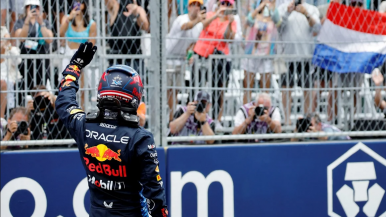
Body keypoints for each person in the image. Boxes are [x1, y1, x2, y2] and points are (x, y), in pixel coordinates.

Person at [55, 42, 168, 216]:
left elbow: (64, 100)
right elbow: (155, 196)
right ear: (135, 97)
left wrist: (74, 66)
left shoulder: (83, 125)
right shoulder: (140, 138)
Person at [193, 0, 237, 129]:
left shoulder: (231, 20)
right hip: (202, 54)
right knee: (197, 88)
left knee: (218, 90)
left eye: (229, 5)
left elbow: (229, 38)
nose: (225, 6)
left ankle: (216, 119)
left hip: (219, 59)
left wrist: (229, 21)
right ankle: (195, 117)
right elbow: (203, 25)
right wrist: (216, 14)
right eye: (223, 3)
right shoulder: (210, 14)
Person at [277, 0, 321, 125]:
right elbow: (278, 27)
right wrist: (287, 12)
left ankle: (307, 120)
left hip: (305, 56)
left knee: (307, 88)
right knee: (286, 88)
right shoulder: (282, 8)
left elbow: (317, 29)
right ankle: (287, 120)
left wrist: (306, 14)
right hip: (287, 56)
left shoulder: (312, 9)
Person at [166, 0, 205, 122]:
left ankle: (172, 118)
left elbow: (192, 42)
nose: (196, 8)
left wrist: (190, 54)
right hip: (168, 56)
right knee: (169, 89)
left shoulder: (198, 25)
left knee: (175, 90)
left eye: (198, 5)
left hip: (180, 59)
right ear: (188, 7)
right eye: (193, 5)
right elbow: (185, 27)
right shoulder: (181, 19)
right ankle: (170, 118)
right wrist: (199, 20)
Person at [13, 0, 53, 102]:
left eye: (37, 7)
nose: (34, 9)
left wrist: (41, 23)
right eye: (30, 6)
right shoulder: (21, 22)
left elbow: (49, 39)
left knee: (41, 86)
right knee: (25, 86)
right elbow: (21, 37)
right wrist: (27, 21)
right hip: (26, 59)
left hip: (42, 59)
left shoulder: (45, 22)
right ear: (26, 8)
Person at [59, 0, 97, 108]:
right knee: (67, 86)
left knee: (83, 87)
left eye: (80, 2)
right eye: (76, 2)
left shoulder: (91, 23)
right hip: (68, 55)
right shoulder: (67, 18)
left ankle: (82, 112)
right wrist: (69, 19)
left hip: (83, 55)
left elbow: (91, 43)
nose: (78, 5)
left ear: (85, 5)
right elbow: (61, 34)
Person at [242, 0, 280, 104]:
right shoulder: (254, 13)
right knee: (248, 87)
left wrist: (272, 8)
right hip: (251, 54)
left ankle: (264, 113)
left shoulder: (273, 14)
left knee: (265, 90)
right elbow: (248, 21)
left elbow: (279, 22)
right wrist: (259, 7)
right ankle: (246, 112)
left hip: (267, 55)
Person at [106, 0, 149, 73]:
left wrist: (136, 12)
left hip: (135, 58)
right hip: (116, 58)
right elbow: (108, 2)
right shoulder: (116, 7)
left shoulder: (139, 9)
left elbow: (145, 27)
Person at [1, 26, 22, 120]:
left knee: (6, 83)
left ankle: (2, 118)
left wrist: (8, 47)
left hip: (9, 78)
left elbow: (18, 61)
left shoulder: (12, 50)